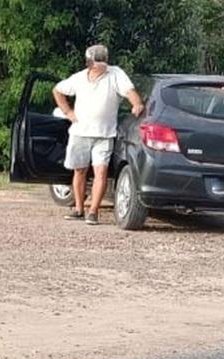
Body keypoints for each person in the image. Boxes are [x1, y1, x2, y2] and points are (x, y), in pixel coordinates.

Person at [53, 45, 144, 225]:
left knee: (100, 172)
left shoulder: (116, 74)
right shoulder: (79, 78)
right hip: (80, 132)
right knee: (79, 171)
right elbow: (58, 90)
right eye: (97, 64)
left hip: (104, 135)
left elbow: (130, 92)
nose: (101, 66)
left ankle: (93, 211)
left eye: (103, 63)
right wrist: (68, 112)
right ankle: (79, 209)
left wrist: (137, 104)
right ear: (89, 63)